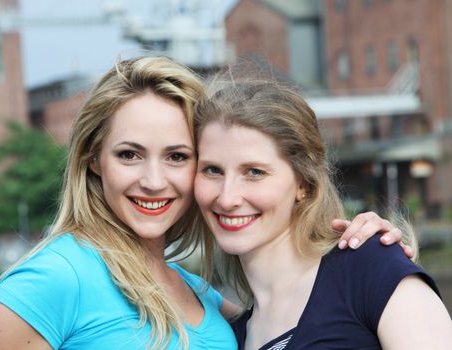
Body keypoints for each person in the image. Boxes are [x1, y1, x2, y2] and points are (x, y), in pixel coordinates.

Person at [0, 56, 409, 350]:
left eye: (177, 157)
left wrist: (371, 255)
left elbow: (299, 309)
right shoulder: (55, 278)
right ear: (93, 161)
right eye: (129, 154)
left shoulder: (204, 297)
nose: (154, 181)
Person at [193, 75, 452, 349]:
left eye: (254, 172)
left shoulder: (368, 267)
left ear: (303, 183)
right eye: (213, 170)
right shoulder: (231, 337)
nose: (227, 197)